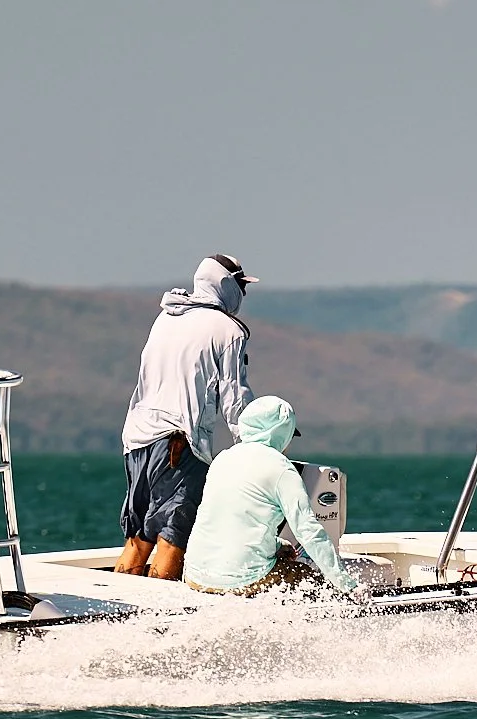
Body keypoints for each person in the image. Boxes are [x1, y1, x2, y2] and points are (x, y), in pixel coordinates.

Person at [115, 254, 257, 579]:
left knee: (140, 532)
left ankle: (119, 608)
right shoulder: (229, 330)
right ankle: (160, 620)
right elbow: (235, 397)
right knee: (174, 532)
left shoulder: (166, 317)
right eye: (242, 287)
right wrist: (256, 444)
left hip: (136, 439)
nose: (243, 296)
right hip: (179, 445)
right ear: (227, 284)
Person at [183, 396, 369, 602]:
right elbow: (309, 532)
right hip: (243, 580)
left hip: (195, 575)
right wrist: (347, 585)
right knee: (313, 583)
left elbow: (233, 521)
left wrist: (278, 546)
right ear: (280, 433)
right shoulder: (281, 469)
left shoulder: (223, 458)